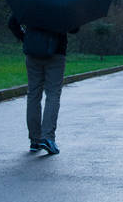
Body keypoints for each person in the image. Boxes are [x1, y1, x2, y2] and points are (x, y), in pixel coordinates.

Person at [8, 15, 75, 155]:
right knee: (53, 94)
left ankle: (35, 140)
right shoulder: (63, 0)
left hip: (33, 52)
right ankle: (47, 138)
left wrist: (25, 37)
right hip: (56, 52)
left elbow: (12, 22)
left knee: (33, 94)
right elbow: (74, 28)